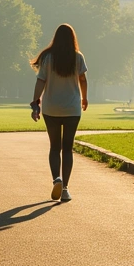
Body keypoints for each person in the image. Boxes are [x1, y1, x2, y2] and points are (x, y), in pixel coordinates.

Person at [29, 23, 88, 202]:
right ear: (72, 38)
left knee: (54, 147)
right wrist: (84, 98)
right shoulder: (77, 57)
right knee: (67, 148)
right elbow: (83, 80)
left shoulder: (47, 58)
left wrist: (35, 102)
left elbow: (41, 81)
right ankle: (65, 190)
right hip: (71, 109)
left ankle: (57, 179)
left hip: (51, 108)